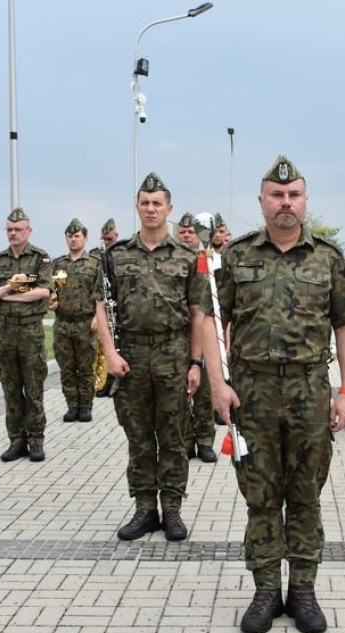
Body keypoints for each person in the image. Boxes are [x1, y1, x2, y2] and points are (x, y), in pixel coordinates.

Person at [203, 155, 345, 633]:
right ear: (262, 202)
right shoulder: (237, 256)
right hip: (251, 391)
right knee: (260, 492)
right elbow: (212, 319)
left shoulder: (328, 258)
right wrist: (217, 382)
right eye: (277, 195)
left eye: (294, 195)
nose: (285, 203)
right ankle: (266, 588)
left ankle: (304, 590)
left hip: (309, 390)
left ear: (305, 201)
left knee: (307, 493)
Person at [95, 172, 208, 543]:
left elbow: (198, 314)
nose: (151, 209)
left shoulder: (189, 256)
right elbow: (101, 308)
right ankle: (145, 508)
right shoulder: (116, 255)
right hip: (131, 355)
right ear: (137, 207)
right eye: (144, 202)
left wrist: (195, 363)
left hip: (174, 353)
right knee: (139, 436)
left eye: (157, 203)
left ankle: (172, 508)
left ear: (169, 209)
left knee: (173, 435)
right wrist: (110, 353)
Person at [0, 207, 53, 463]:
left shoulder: (40, 258)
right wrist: (9, 286)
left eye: (18, 229)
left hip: (31, 331)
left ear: (28, 231)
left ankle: (36, 440)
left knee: (33, 388)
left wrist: (9, 295)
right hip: (5, 331)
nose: (13, 233)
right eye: (9, 229)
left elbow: (44, 291)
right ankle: (16, 441)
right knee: (10, 388)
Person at [174, 212, 217, 463]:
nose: (187, 235)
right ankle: (187, 440)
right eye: (183, 232)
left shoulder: (206, 258)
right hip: (179, 337)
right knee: (180, 393)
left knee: (204, 391)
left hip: (203, 334)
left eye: (191, 232)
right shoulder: (174, 260)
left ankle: (205, 440)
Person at [50, 218, 100, 423]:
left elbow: (101, 294)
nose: (73, 240)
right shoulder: (58, 264)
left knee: (86, 366)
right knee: (67, 367)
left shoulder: (94, 264)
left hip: (85, 322)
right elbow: (50, 289)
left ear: (85, 238)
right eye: (70, 236)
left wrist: (98, 317)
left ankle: (86, 406)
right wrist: (50, 300)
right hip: (63, 322)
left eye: (77, 236)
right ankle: (72, 406)